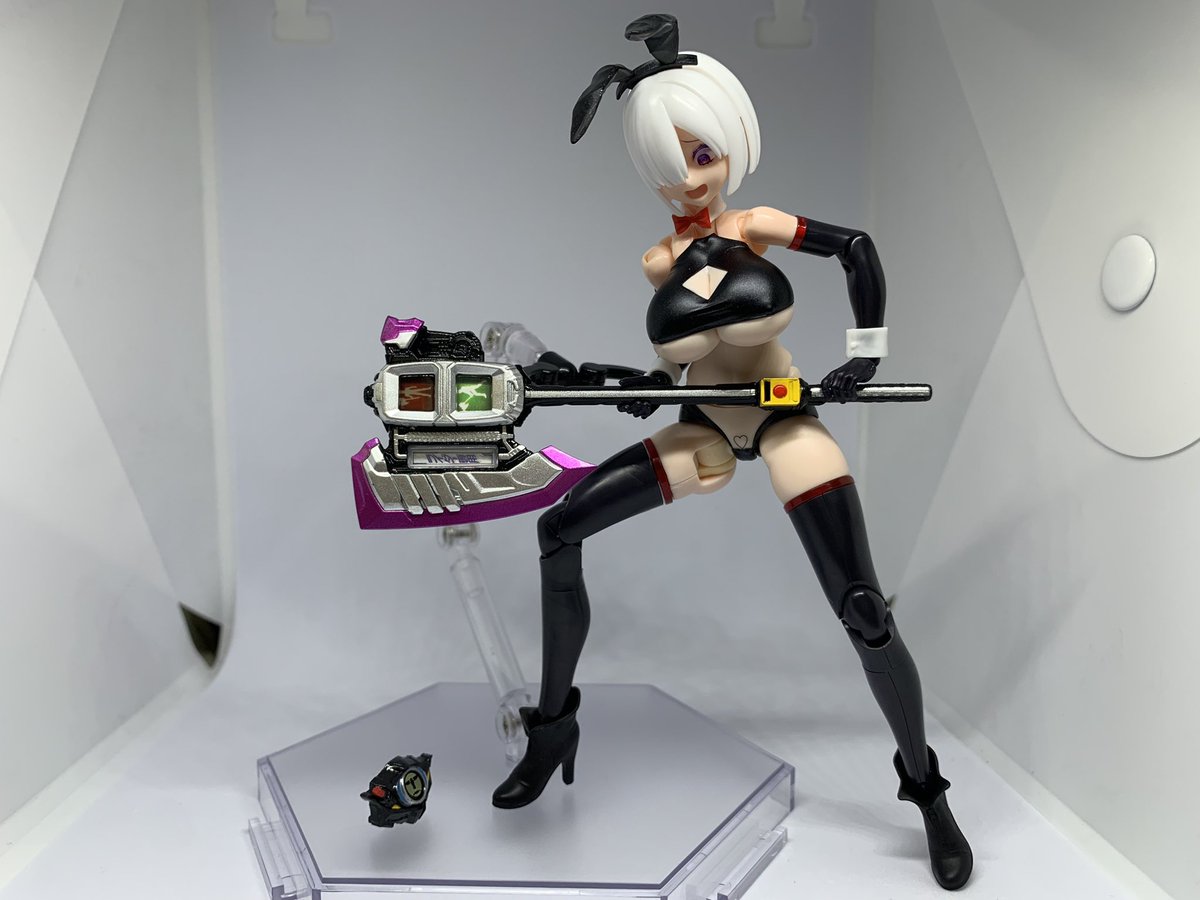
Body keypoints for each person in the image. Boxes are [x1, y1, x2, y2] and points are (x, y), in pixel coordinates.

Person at [492, 14, 972, 891]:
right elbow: (678, 362)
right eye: (668, 161)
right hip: (706, 428)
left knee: (863, 608)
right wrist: (626, 382)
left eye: (700, 152)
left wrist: (864, 355)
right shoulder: (658, 261)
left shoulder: (754, 225)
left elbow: (855, 249)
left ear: (730, 146)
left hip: (785, 419)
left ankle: (928, 792)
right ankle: (553, 727)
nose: (686, 175)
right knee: (559, 528)